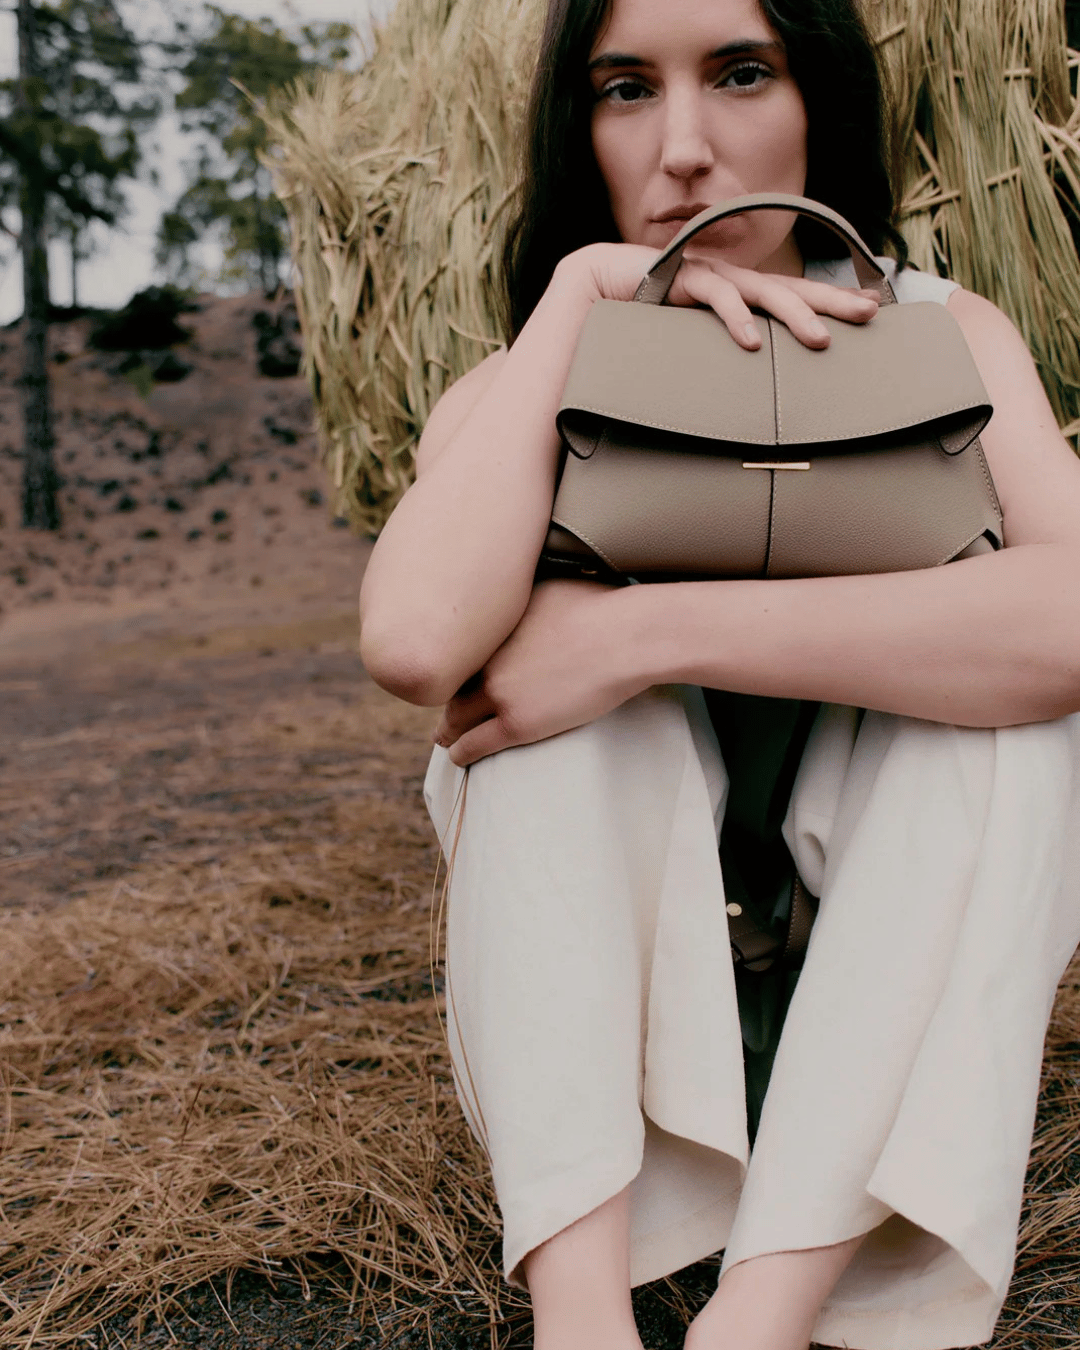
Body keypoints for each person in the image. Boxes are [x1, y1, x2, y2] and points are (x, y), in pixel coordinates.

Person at [357, 1, 1080, 1347]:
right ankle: (581, 1319)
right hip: (626, 1003)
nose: (683, 147)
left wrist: (642, 634)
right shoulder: (536, 367)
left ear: (820, 101)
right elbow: (413, 640)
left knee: (1020, 726)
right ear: (579, 130)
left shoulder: (941, 334)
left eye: (742, 73)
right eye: (626, 89)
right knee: (547, 717)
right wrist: (579, 301)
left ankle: (760, 1317)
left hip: (878, 973)